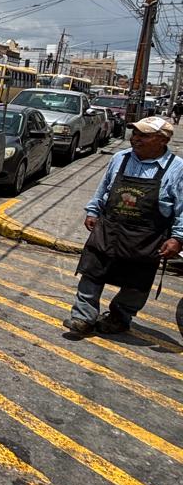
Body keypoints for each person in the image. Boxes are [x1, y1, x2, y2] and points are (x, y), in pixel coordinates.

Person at [64, 116, 183, 336]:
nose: (135, 139)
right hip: (109, 229)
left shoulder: (176, 169)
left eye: (143, 136)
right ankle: (83, 317)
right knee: (92, 271)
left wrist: (177, 238)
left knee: (136, 283)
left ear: (162, 140)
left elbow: (182, 209)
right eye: (135, 134)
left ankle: (119, 316)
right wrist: (93, 210)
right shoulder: (120, 158)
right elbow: (104, 188)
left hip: (146, 237)